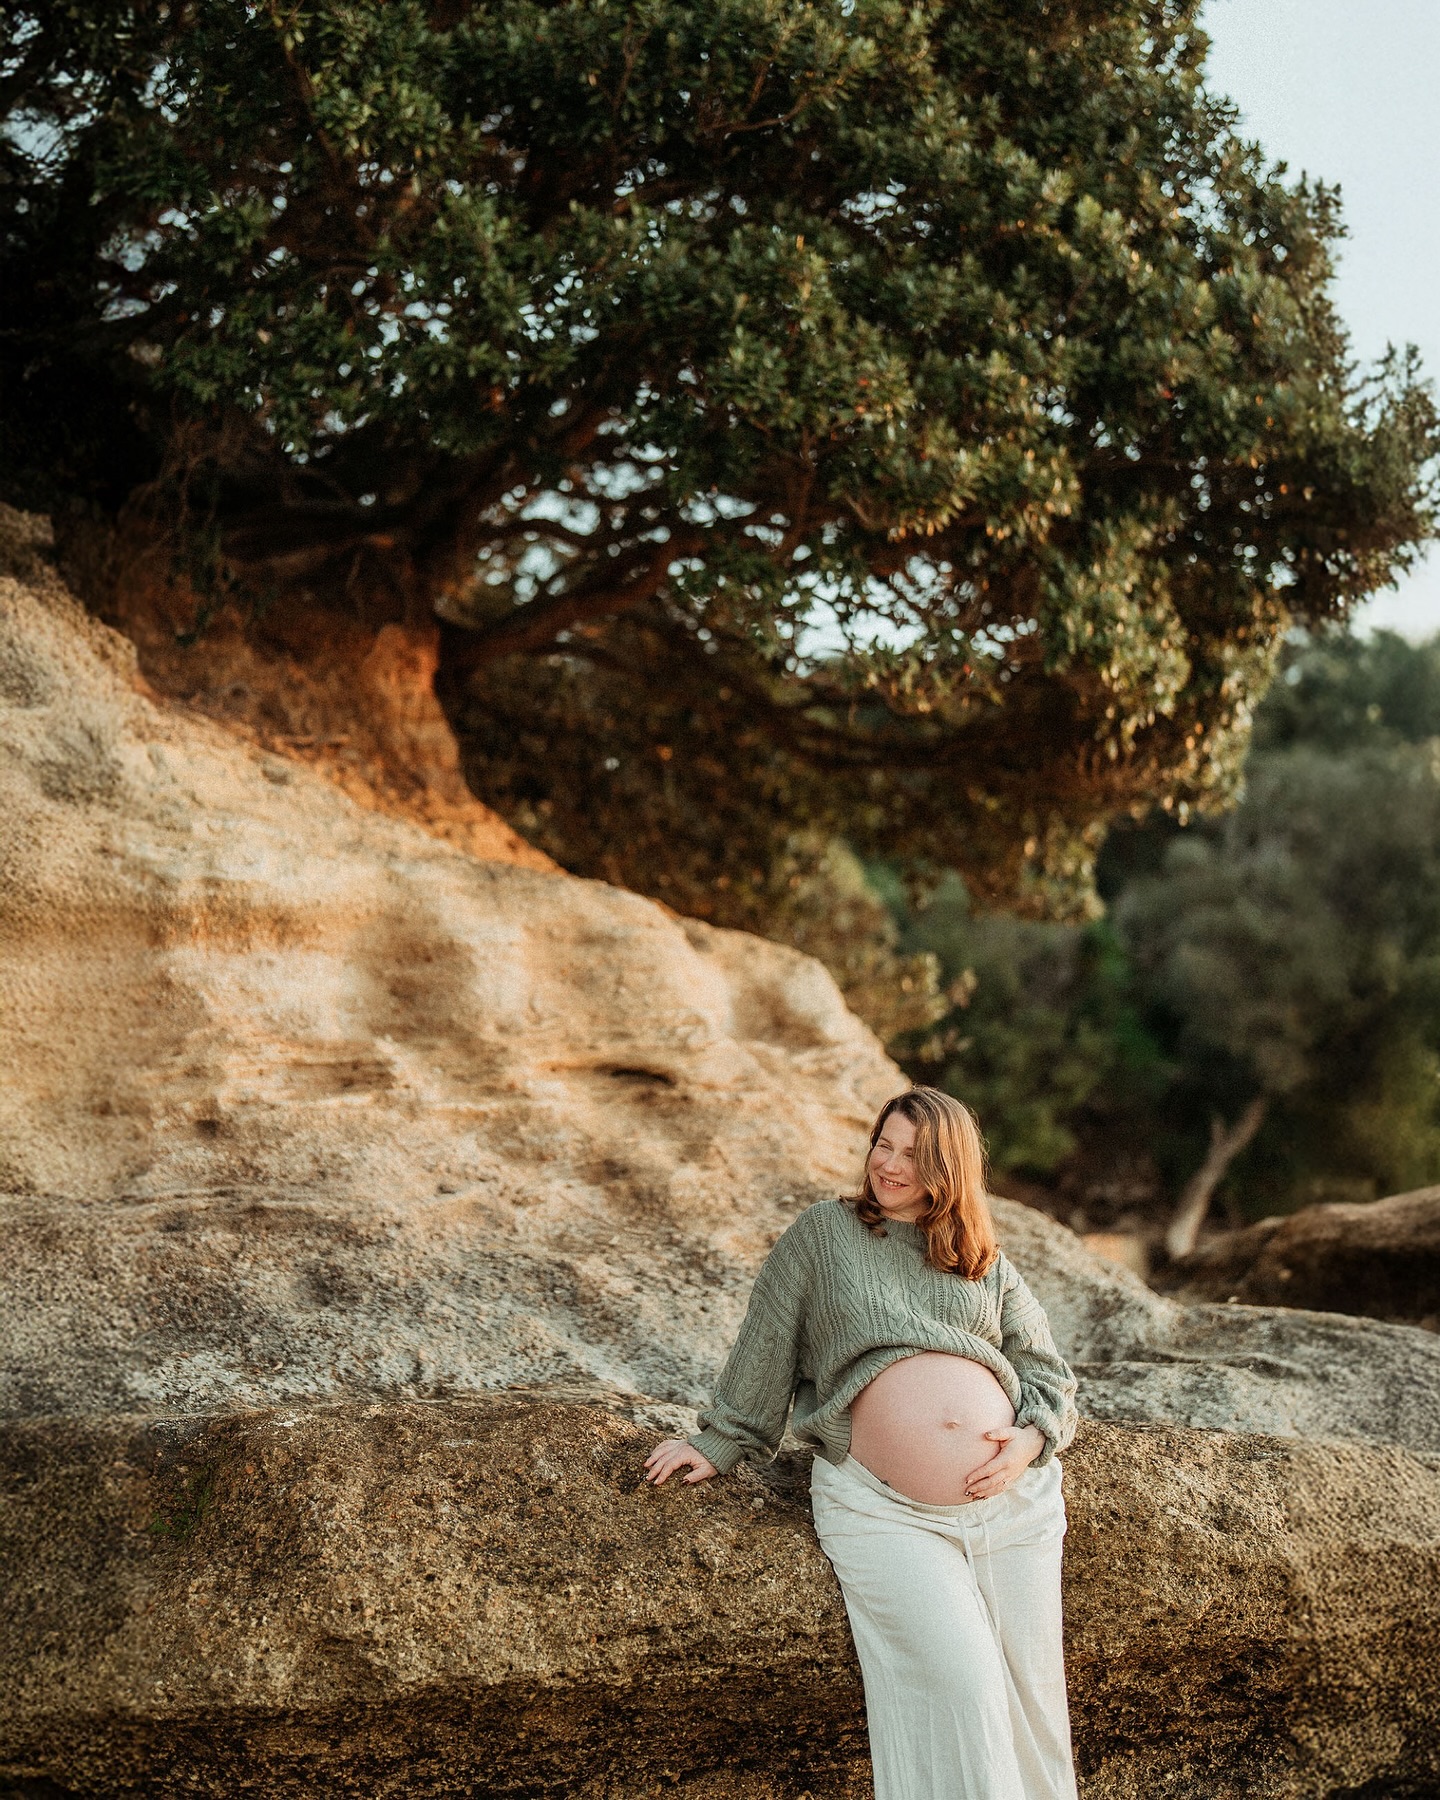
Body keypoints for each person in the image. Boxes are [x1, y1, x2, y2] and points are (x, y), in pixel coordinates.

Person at [645, 1085, 1080, 1800]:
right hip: (885, 1510)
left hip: (1013, 1509)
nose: (890, 1163)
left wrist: (1029, 1441)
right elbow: (768, 1342)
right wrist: (722, 1440)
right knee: (959, 1680)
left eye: (913, 1153)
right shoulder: (825, 1233)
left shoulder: (981, 1259)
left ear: (950, 1167)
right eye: (884, 1143)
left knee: (1030, 1698)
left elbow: (1044, 1369)